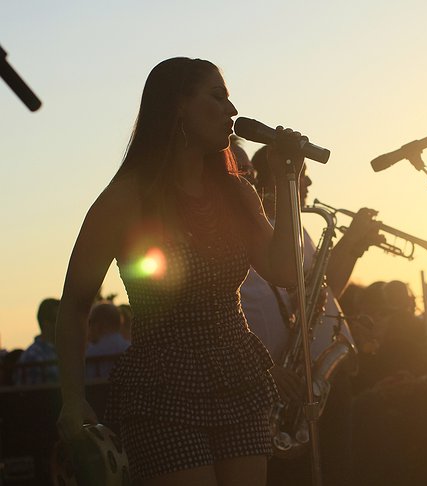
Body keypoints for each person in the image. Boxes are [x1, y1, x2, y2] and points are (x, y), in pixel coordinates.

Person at [55, 57, 307, 485]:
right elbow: (76, 304)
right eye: (217, 96)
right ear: (177, 106)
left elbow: (284, 269)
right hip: (163, 386)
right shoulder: (125, 199)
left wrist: (287, 178)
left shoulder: (237, 193)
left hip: (237, 375)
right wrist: (72, 398)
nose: (232, 110)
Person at [239, 145, 384, 485]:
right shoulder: (259, 237)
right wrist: (262, 370)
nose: (307, 184)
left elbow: (324, 289)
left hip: (321, 377)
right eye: (299, 177)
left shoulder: (298, 232)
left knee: (338, 470)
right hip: (286, 387)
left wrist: (351, 247)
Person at [13, 297, 60, 385]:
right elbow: (33, 396)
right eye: (57, 320)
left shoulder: (69, 351)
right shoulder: (32, 357)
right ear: (45, 323)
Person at [85, 301, 130, 380]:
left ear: (99, 324)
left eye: (90, 322)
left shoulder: (90, 353)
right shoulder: (130, 349)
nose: (88, 327)